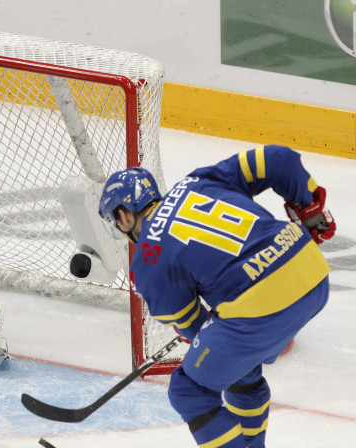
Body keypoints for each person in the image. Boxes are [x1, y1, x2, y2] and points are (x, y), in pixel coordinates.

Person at [98, 145, 335, 448]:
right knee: (242, 375)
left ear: (123, 215)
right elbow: (277, 159)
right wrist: (309, 208)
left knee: (189, 391)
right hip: (311, 269)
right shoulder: (198, 181)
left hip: (260, 305)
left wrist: (219, 338)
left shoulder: (147, 262)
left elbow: (193, 326)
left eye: (116, 225)